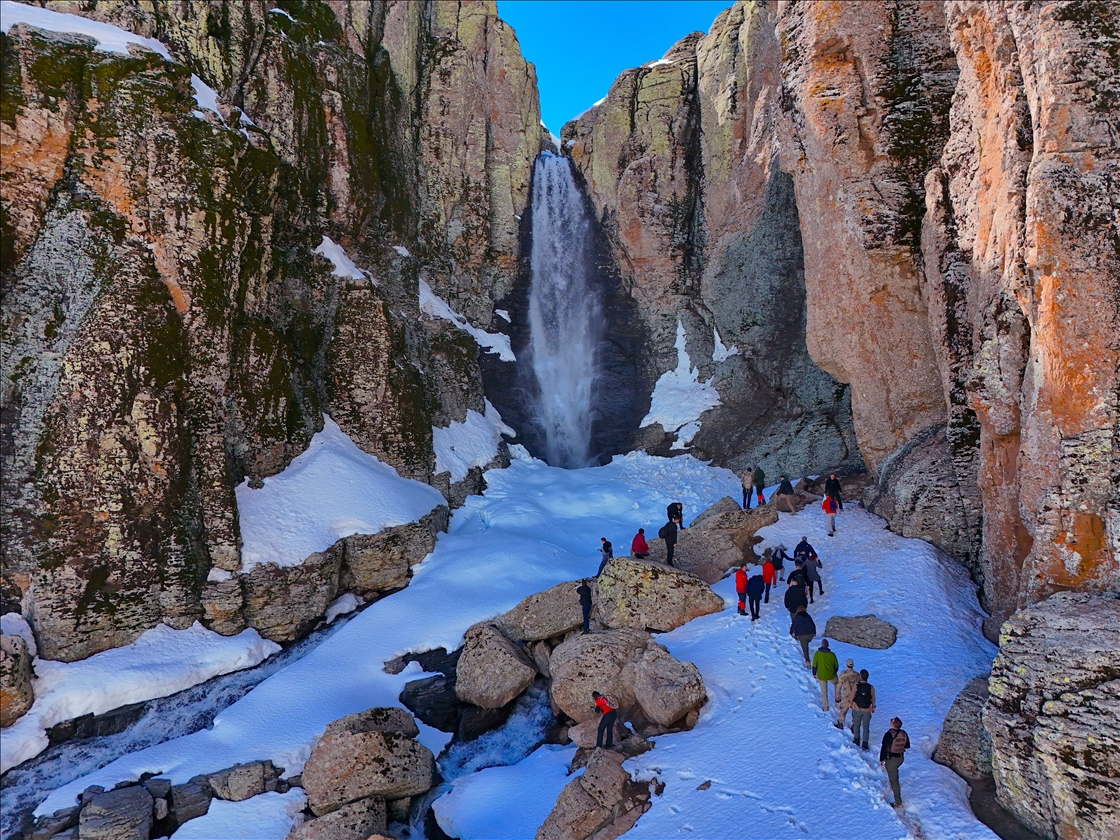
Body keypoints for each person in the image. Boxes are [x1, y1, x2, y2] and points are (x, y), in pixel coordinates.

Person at [880, 717, 911, 808]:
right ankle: (894, 786)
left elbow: (884, 748)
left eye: (892, 720)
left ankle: (898, 802)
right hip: (900, 758)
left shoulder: (889, 734)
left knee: (894, 780)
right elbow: (907, 745)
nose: (890, 720)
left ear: (893, 724)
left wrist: (882, 759)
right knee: (894, 773)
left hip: (891, 760)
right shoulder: (903, 733)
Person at [850, 669, 876, 750]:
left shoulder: (856, 685)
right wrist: (873, 706)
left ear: (860, 677)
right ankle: (865, 743)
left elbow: (852, 696)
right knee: (866, 727)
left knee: (856, 724)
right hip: (867, 710)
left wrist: (851, 703)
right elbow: (873, 698)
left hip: (856, 708)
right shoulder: (871, 687)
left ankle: (857, 739)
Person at [811, 639, 839, 711]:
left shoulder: (817, 654)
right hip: (831, 675)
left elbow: (814, 665)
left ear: (821, 645)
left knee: (824, 692)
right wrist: (834, 673)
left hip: (821, 676)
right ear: (828, 646)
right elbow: (836, 666)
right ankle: (837, 699)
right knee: (837, 683)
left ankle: (825, 707)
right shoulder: (832, 655)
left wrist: (814, 673)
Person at [835, 658, 860, 730]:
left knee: (843, 709)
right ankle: (854, 725)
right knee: (855, 711)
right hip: (855, 695)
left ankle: (840, 723)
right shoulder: (857, 675)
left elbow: (839, 685)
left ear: (846, 665)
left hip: (846, 694)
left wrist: (837, 694)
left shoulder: (843, 674)